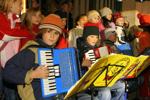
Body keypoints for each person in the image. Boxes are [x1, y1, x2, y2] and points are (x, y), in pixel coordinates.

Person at [3, 14, 64, 100]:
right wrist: (32, 74)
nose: (52, 36)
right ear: (42, 32)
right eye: (48, 31)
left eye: (56, 33)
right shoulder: (31, 52)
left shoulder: (56, 52)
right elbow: (7, 72)